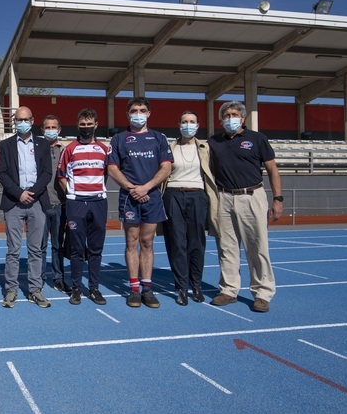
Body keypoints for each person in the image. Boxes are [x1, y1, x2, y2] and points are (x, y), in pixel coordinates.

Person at [208, 101, 283, 313]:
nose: (230, 118)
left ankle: (262, 293)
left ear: (243, 118)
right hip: (224, 198)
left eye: (234, 114)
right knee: (226, 248)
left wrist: (278, 198)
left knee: (257, 247)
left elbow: (272, 169)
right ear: (220, 119)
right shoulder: (215, 141)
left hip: (251, 195)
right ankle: (229, 290)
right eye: (226, 115)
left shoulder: (257, 139)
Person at [107, 97, 173, 309]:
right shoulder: (119, 139)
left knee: (147, 242)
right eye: (134, 110)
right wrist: (132, 188)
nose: (138, 113)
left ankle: (147, 288)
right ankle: (134, 289)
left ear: (149, 113)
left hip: (151, 197)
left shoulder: (159, 138)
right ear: (127, 114)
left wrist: (146, 187)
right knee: (131, 242)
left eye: (142, 110)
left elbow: (166, 168)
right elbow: (112, 169)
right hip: (129, 198)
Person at [161, 111, 219, 306]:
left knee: (196, 243)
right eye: (184, 121)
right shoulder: (170, 147)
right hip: (173, 194)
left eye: (192, 122)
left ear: (198, 124)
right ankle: (181, 287)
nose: (188, 125)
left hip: (198, 196)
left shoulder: (206, 148)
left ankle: (197, 285)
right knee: (177, 243)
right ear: (179, 124)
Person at [0, 106, 52, 308]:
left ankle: (35, 289)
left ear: (32, 120)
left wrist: (32, 192)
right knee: (13, 249)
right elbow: (2, 174)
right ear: (14, 121)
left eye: (26, 119)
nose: (22, 123)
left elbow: (47, 173)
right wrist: (19, 193)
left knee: (35, 249)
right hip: (13, 202)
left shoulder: (43, 144)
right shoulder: (5, 145)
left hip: (37, 201)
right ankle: (11, 289)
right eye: (18, 119)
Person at [57, 108, 109, 306]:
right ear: (77, 125)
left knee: (96, 249)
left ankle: (94, 288)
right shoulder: (69, 149)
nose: (86, 128)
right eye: (82, 124)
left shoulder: (105, 149)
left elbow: (106, 173)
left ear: (96, 125)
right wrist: (72, 194)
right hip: (76, 203)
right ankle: (77, 288)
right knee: (77, 249)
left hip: (98, 202)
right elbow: (61, 176)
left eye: (89, 124)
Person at [40, 114, 69, 294]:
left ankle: (58, 278)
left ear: (59, 130)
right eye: (47, 128)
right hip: (40, 206)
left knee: (58, 245)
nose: (50, 130)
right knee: (39, 246)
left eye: (53, 127)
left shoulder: (66, 151)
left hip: (60, 205)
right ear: (42, 130)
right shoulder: (36, 150)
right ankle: (40, 279)